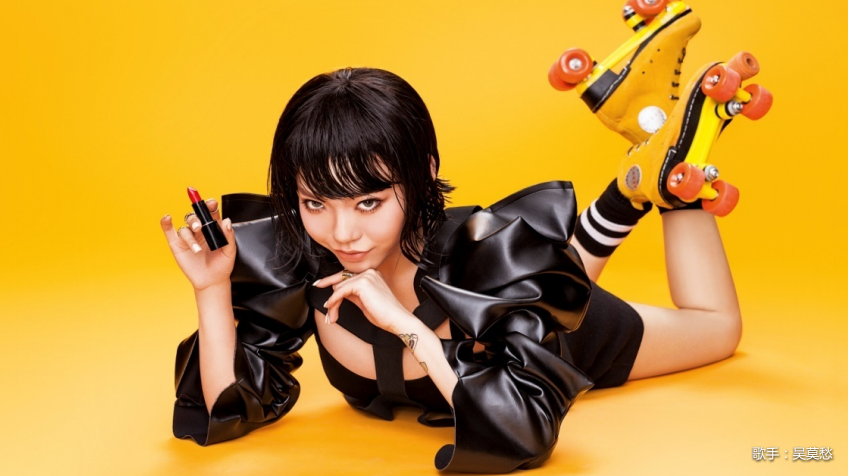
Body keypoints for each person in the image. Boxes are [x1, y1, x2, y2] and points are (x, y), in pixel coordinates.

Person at [159, 66, 742, 473]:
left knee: (716, 328)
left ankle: (673, 182)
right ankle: (631, 180)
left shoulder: (485, 261)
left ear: (424, 172)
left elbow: (519, 432)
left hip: (547, 341)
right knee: (550, 275)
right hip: (511, 300)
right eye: (316, 203)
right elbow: (228, 407)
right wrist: (211, 288)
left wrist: (406, 326)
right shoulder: (306, 262)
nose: (342, 233)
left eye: (369, 202)